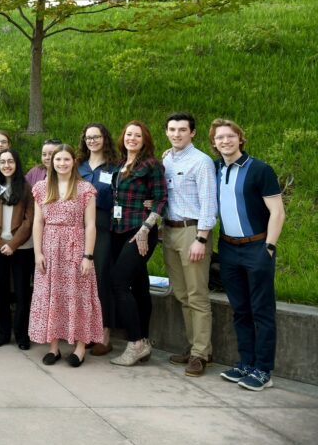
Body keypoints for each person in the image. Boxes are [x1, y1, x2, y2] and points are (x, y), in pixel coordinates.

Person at [211, 119, 285, 391]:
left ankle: (263, 370)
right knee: (240, 310)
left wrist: (269, 247)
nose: (225, 141)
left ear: (240, 139)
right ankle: (246, 363)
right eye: (220, 137)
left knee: (262, 311)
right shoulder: (215, 168)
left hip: (257, 247)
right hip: (228, 248)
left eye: (230, 136)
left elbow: (277, 212)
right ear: (214, 142)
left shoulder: (260, 170)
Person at [30, 144, 102, 366]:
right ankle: (54, 347)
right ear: (51, 163)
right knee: (51, 296)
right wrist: (37, 253)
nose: (61, 163)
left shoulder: (85, 189)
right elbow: (37, 222)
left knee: (78, 295)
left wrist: (87, 256)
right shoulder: (41, 188)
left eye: (66, 160)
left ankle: (80, 348)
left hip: (75, 246)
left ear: (73, 162)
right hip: (49, 248)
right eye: (57, 160)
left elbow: (90, 225)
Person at [161, 112, 218, 376]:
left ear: (192, 132)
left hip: (192, 231)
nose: (176, 134)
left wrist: (201, 239)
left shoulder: (202, 162)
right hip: (170, 232)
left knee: (197, 294)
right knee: (181, 294)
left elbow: (209, 204)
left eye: (182, 130)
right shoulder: (166, 159)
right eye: (172, 130)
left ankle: (201, 354)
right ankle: (193, 346)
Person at [109, 121, 167, 367]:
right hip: (119, 230)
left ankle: (134, 343)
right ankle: (143, 339)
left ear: (145, 140)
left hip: (139, 231)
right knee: (140, 286)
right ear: (123, 138)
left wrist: (146, 228)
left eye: (138, 135)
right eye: (129, 134)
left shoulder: (151, 165)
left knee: (119, 282)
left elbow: (161, 198)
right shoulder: (121, 165)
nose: (132, 138)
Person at [0, 148, 35, 349]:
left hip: (22, 248)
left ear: (16, 163)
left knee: (22, 292)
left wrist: (12, 244)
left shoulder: (27, 188)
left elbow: (30, 220)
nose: (6, 165)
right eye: (2, 162)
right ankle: (3, 332)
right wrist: (0, 243)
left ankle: (21, 334)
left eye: (10, 161)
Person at [76, 123, 122, 356]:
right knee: (81, 280)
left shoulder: (115, 167)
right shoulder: (78, 166)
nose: (92, 140)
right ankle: (86, 332)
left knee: (101, 278)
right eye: (88, 137)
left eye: (97, 136)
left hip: (104, 227)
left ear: (105, 138)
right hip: (78, 227)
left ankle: (104, 335)